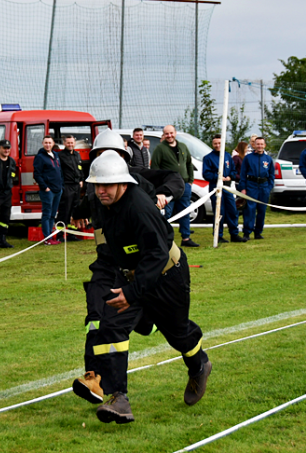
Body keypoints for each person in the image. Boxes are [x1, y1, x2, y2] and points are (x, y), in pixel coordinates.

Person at [82, 150, 212, 424]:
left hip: (167, 277)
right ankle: (119, 398)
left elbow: (157, 254)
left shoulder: (138, 207)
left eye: (106, 185)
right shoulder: (105, 205)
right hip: (133, 277)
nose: (100, 191)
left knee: (178, 334)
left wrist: (131, 292)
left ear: (123, 183)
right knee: (111, 326)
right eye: (97, 185)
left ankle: (199, 364)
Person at [150, 125, 199, 248]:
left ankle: (186, 238)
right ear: (164, 135)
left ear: (175, 133)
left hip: (184, 185)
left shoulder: (183, 146)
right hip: (168, 188)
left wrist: (190, 180)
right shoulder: (159, 149)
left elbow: (188, 163)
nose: (169, 136)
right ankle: (161, 237)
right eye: (167, 134)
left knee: (185, 211)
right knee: (166, 212)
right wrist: (160, 187)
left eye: (171, 133)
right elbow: (155, 169)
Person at [202, 135, 247, 243]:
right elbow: (206, 173)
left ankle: (234, 234)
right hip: (216, 187)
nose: (217, 145)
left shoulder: (227, 156)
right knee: (219, 211)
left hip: (227, 187)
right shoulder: (208, 158)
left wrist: (230, 177)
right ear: (212, 144)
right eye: (215, 143)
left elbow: (233, 170)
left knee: (232, 210)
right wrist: (217, 177)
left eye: (219, 143)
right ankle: (218, 235)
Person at [239, 137, 274, 240]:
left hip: (264, 187)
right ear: (254, 145)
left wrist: (269, 187)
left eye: (261, 144)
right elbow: (243, 174)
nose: (259, 146)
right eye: (257, 144)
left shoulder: (268, 159)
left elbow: (271, 175)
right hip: (251, 186)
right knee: (250, 210)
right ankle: (247, 232)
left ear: (265, 145)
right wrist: (243, 188)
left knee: (262, 210)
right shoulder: (248, 158)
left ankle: (258, 232)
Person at [33, 136, 62, 245]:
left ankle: (51, 236)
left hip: (58, 189)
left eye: (50, 142)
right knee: (47, 214)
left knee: (53, 214)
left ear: (53, 143)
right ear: (43, 143)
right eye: (46, 143)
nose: (48, 145)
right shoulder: (40, 157)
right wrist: (45, 187)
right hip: (47, 191)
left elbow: (60, 171)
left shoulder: (56, 155)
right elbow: (37, 174)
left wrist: (61, 185)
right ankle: (47, 238)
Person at [57, 135, 83, 242]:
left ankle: (72, 234)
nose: (70, 144)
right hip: (67, 186)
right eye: (68, 143)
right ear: (64, 143)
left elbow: (80, 169)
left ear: (75, 143)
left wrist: (81, 179)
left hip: (77, 186)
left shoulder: (77, 155)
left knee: (75, 210)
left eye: (72, 142)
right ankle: (59, 234)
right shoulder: (60, 156)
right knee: (64, 210)